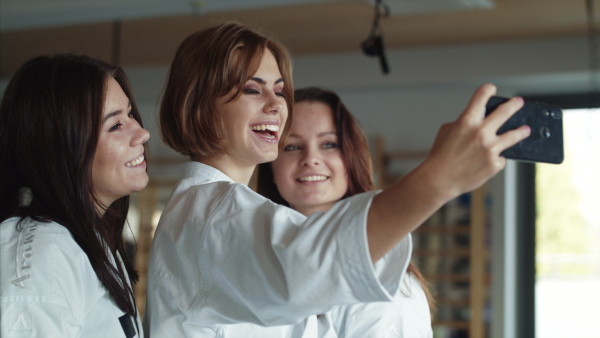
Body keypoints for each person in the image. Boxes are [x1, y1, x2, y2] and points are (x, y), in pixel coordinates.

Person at [144, 22, 530, 337]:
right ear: (197, 103)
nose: (277, 104)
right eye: (251, 89)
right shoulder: (210, 214)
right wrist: (439, 178)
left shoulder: (218, 211)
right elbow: (305, 267)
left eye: (280, 90)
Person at [257, 86, 434, 337]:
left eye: (329, 144)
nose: (311, 158)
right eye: (293, 147)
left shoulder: (385, 284)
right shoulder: (256, 258)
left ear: (352, 161)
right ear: (271, 169)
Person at [0, 53, 150, 338]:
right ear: (62, 147)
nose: (142, 133)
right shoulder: (45, 250)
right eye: (116, 126)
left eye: (130, 114)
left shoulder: (87, 238)